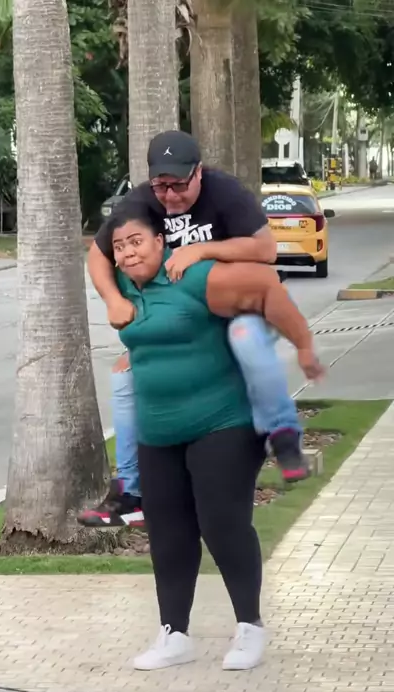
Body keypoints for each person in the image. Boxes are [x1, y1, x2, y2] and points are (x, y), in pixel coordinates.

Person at [102, 202, 317, 670]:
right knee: (168, 533)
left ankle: (249, 627)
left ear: (161, 242)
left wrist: (303, 344)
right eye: (119, 247)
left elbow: (267, 286)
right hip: (158, 431)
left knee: (222, 525)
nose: (128, 252)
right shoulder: (122, 285)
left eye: (136, 241)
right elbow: (95, 258)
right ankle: (173, 634)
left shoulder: (195, 277)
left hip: (222, 423)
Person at [80, 130, 319, 529]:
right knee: (123, 376)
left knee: (246, 340)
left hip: (237, 306)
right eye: (161, 186)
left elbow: (265, 250)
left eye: (179, 185)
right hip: (184, 317)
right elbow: (98, 254)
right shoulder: (142, 201)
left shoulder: (225, 192)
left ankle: (283, 434)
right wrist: (113, 300)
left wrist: (201, 249)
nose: (170, 196)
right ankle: (130, 492)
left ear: (198, 173)